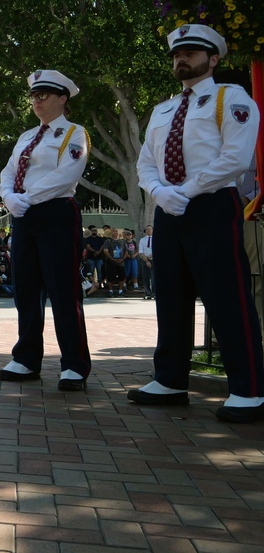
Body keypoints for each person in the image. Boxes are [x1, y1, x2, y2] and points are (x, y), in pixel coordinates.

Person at [130, 24, 264, 423]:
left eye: (190, 52)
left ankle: (249, 389)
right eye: (176, 53)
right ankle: (170, 379)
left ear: (214, 59)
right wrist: (159, 191)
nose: (181, 59)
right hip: (168, 209)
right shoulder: (163, 109)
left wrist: (187, 190)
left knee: (227, 296)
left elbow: (236, 157)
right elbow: (144, 163)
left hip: (209, 205)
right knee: (170, 295)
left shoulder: (230, 98)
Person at [0, 70, 90, 391]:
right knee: (25, 290)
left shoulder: (74, 134)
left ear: (62, 98)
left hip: (56, 214)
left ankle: (74, 364)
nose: (37, 101)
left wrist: (26, 198)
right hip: (22, 215)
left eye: (44, 95)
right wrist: (9, 197)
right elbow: (8, 172)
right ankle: (26, 358)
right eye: (34, 96)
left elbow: (66, 175)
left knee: (63, 291)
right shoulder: (26, 137)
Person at [101, 227, 126, 297]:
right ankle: (110, 291)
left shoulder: (122, 241)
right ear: (111, 233)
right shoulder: (108, 241)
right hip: (111, 262)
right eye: (113, 231)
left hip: (121, 262)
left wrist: (123, 259)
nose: (115, 232)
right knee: (111, 277)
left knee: (122, 276)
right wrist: (112, 259)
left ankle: (120, 291)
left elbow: (126, 251)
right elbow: (105, 251)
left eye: (116, 231)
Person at [138, 224, 154, 299]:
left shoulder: (156, 239)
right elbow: (141, 251)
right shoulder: (142, 240)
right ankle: (148, 293)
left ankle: (154, 293)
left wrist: (149, 258)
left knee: (154, 277)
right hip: (144, 260)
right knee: (145, 277)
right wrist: (146, 260)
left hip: (153, 259)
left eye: (150, 229)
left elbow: (156, 250)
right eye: (147, 229)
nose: (148, 231)